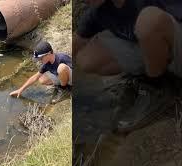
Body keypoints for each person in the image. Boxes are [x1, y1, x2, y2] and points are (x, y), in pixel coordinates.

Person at [74, 0, 182, 132]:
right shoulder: (100, 10)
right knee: (87, 59)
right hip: (161, 47)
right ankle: (151, 80)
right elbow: (76, 42)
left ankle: (159, 87)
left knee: (148, 20)